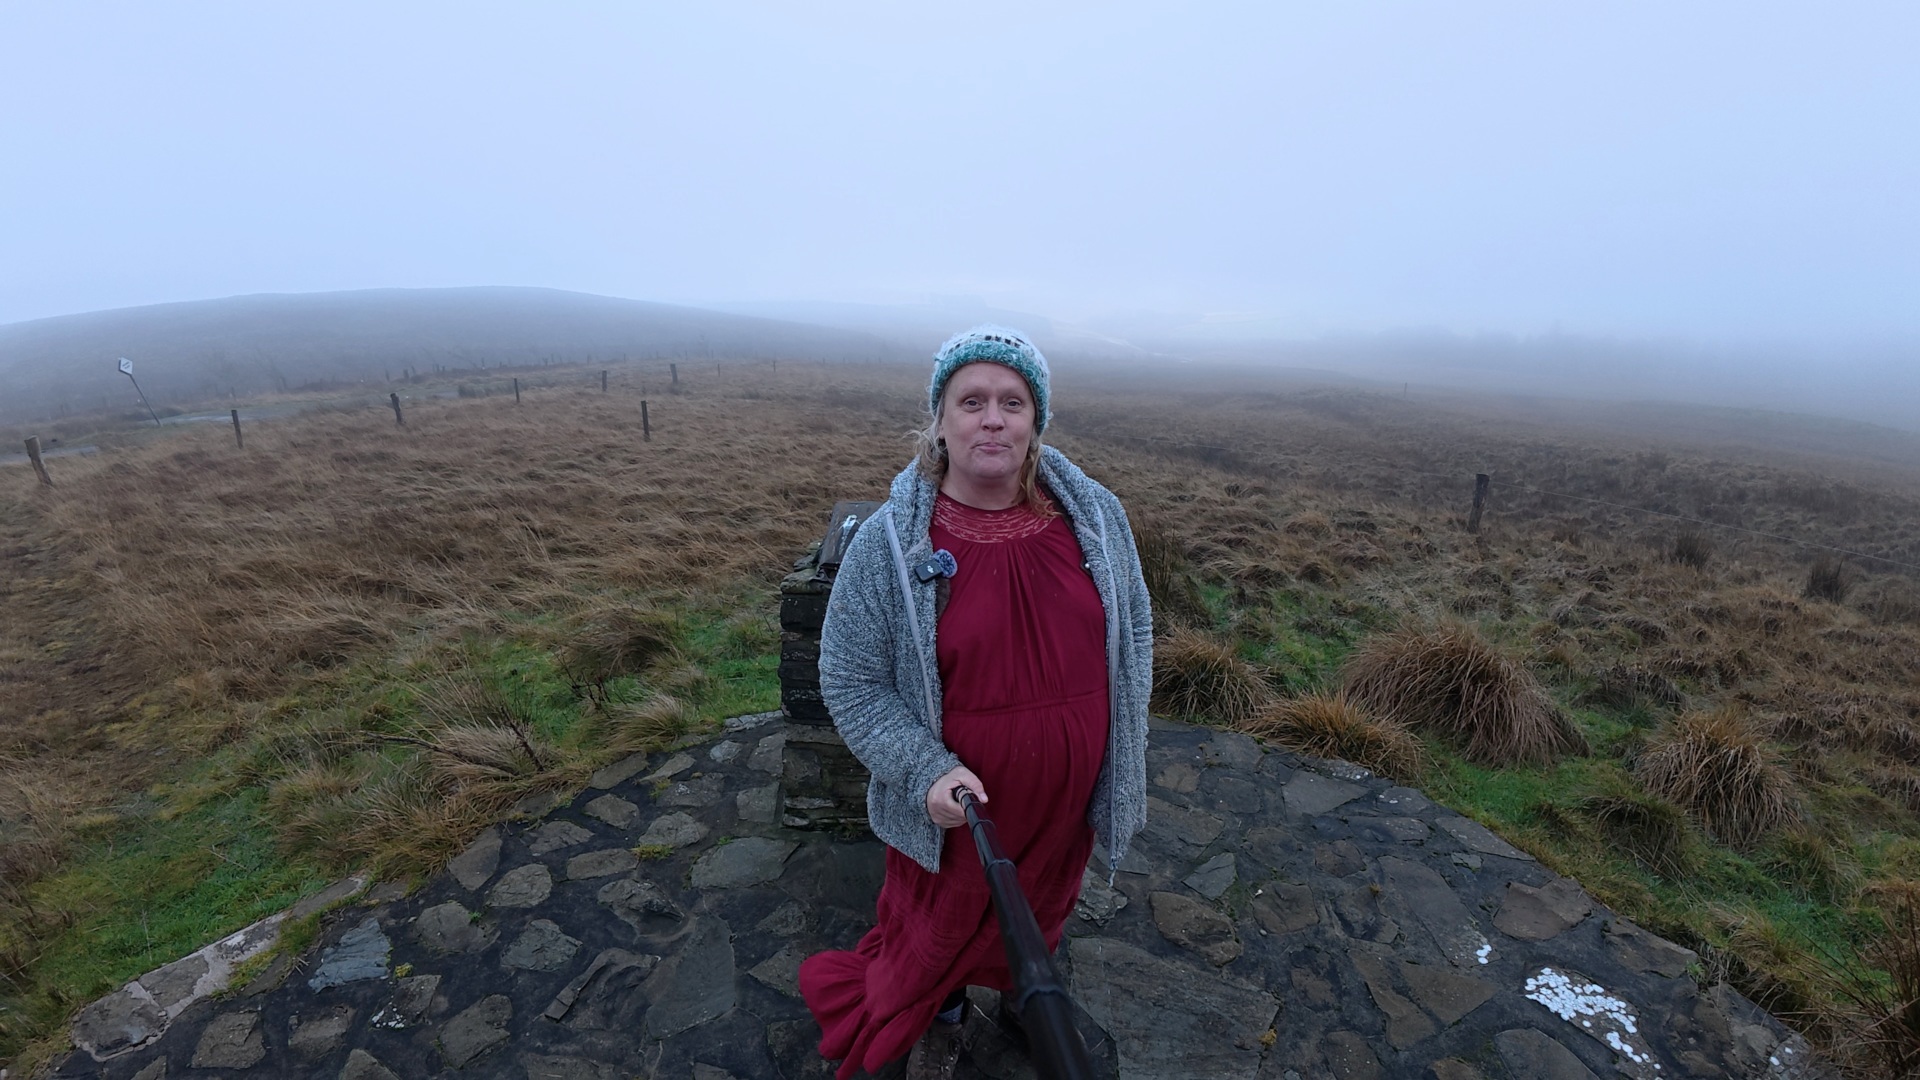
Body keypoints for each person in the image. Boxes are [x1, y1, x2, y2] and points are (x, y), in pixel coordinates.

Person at [798, 326, 1154, 1080]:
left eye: (1012, 402)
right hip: (961, 811)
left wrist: (1116, 750)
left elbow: (1135, 632)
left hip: (1063, 803)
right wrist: (923, 769)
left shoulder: (1096, 517)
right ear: (939, 421)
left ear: (1035, 422)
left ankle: (1028, 993)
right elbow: (850, 678)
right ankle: (944, 1012)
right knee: (938, 927)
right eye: (971, 401)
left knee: (1043, 907)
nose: (993, 419)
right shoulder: (891, 543)